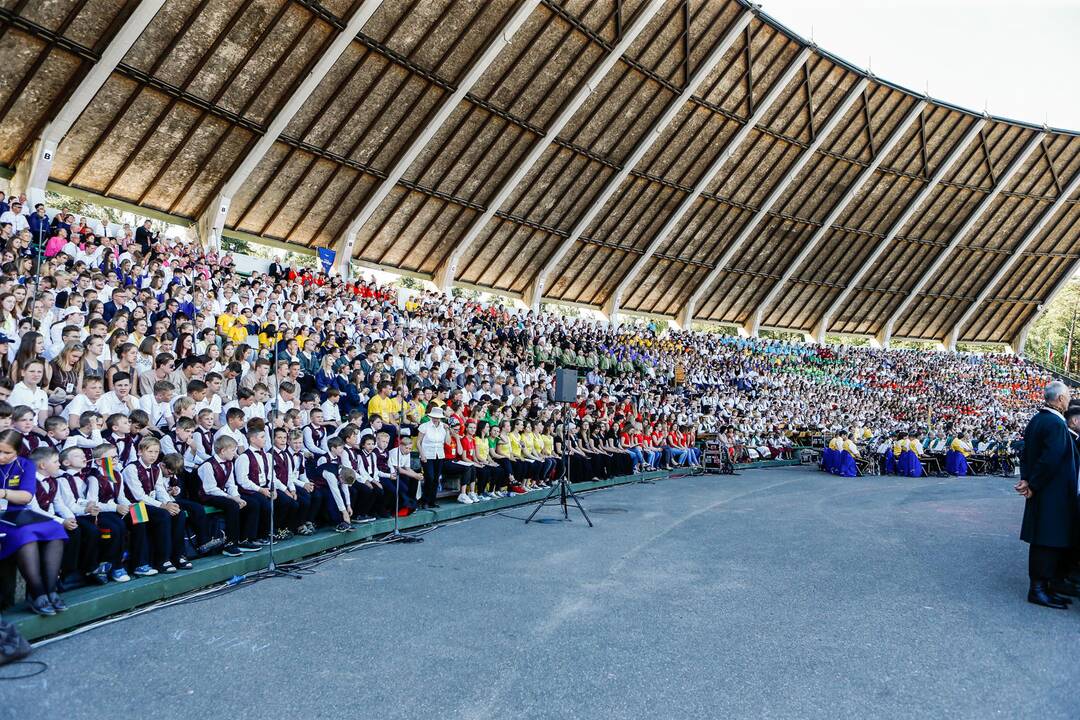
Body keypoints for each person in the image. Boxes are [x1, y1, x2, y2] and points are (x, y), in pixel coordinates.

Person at [1016, 381, 1078, 609]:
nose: (1070, 400)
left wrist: (1026, 479)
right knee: (1046, 541)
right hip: (1051, 493)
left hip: (1043, 490)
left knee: (1047, 539)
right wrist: (1033, 484)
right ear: (1060, 399)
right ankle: (1038, 589)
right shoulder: (1055, 423)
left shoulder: (1037, 419)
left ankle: (1046, 587)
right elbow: (1050, 459)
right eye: (1068, 396)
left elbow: (1026, 453)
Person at [0, 429, 69, 616]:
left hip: (18, 512)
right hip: (2, 517)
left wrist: (4, 492)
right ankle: (37, 592)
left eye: (7, 453)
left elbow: (25, 496)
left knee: (55, 529)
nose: (2, 456)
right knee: (25, 535)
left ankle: (51, 590)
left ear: (17, 451)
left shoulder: (25, 465)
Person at [417, 406, 448, 510]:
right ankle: (424, 500)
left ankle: (432, 501)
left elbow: (447, 442)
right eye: (434, 417)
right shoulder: (424, 426)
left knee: (436, 479)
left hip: (439, 454)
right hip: (427, 454)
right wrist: (422, 454)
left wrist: (448, 430)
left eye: (438, 417)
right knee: (429, 477)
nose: (436, 419)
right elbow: (418, 442)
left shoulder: (443, 427)